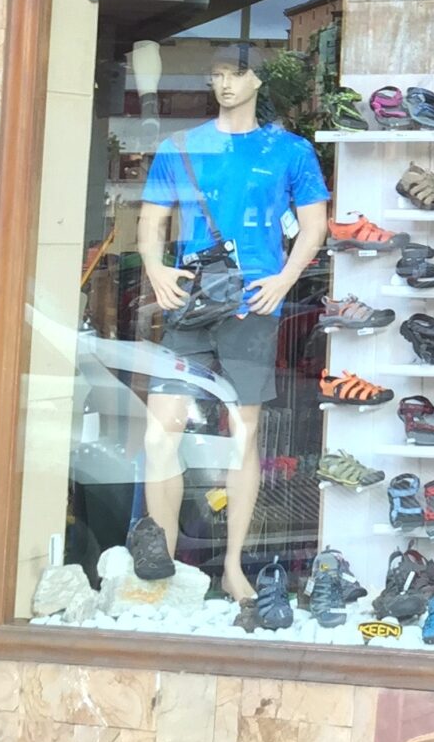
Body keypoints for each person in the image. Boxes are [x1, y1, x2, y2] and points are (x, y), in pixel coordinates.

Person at [133, 42, 328, 604]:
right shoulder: (182, 147)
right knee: (159, 432)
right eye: (217, 74)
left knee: (243, 439)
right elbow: (152, 219)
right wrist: (155, 268)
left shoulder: (289, 151)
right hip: (191, 306)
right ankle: (161, 563)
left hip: (252, 308)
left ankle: (234, 568)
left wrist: (286, 280)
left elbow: (314, 227)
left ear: (256, 81)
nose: (224, 84)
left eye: (235, 74)